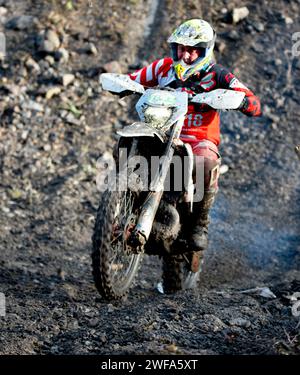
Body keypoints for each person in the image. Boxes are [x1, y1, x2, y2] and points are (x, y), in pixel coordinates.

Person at [128, 19, 261, 271]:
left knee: (206, 161)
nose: (186, 55)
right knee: (129, 144)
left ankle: (200, 222)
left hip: (199, 139)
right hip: (162, 133)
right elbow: (134, 78)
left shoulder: (218, 75)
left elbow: (253, 101)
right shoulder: (164, 67)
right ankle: (123, 200)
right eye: (181, 48)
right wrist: (124, 85)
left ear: (205, 50)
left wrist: (242, 102)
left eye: (194, 49)